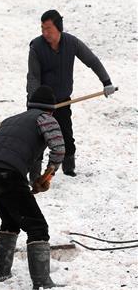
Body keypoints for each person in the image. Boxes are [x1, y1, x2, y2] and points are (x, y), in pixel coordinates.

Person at [0, 86, 65, 289]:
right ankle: (42, 282)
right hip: (7, 174)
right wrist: (48, 176)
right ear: (51, 109)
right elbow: (59, 149)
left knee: (10, 220)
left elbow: (27, 154)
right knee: (37, 227)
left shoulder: (12, 120)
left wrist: (35, 179)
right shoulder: (46, 119)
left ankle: (2, 273)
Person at [27, 9, 115, 176]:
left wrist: (107, 82)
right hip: (39, 104)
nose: (45, 33)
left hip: (62, 101)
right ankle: (35, 175)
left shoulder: (72, 43)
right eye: (42, 29)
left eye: (48, 29)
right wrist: (34, 104)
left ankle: (69, 170)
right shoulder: (36, 47)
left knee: (66, 135)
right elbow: (33, 78)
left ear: (58, 28)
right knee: (37, 140)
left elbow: (92, 60)